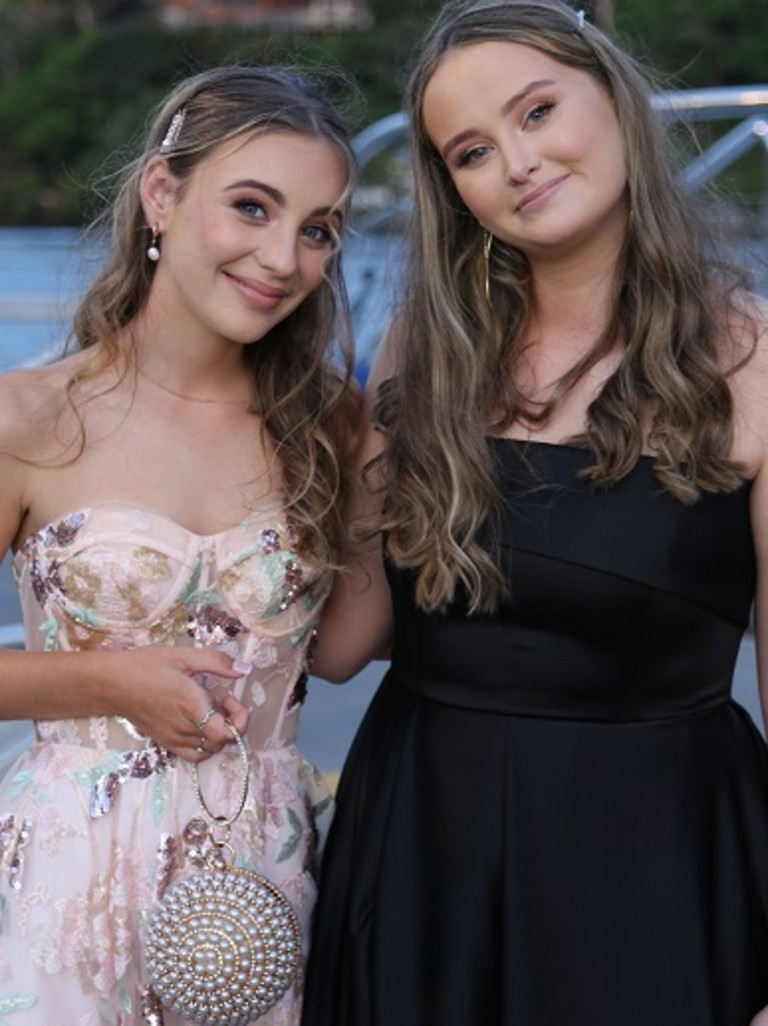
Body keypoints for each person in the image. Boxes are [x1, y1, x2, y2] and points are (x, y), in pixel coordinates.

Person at [300, 1, 768, 1023]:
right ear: (454, 191)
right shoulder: (431, 342)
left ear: (616, 99)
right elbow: (343, 640)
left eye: (538, 110)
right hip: (422, 858)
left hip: (651, 872)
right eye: (471, 151)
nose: (515, 161)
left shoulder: (756, 361)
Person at [0, 64, 359, 1024]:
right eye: (252, 207)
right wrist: (103, 685)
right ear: (162, 194)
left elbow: (368, 635)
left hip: (258, 884)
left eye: (317, 229)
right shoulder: (29, 417)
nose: (284, 257)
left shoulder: (331, 427)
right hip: (67, 883)